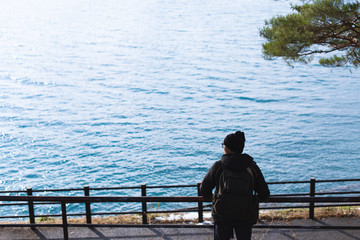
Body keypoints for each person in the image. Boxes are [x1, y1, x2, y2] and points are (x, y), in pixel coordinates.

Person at [200, 131, 270, 240]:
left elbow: (204, 189)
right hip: (245, 215)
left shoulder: (218, 166)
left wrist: (215, 199)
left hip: (222, 215)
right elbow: (265, 194)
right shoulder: (251, 167)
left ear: (227, 148)